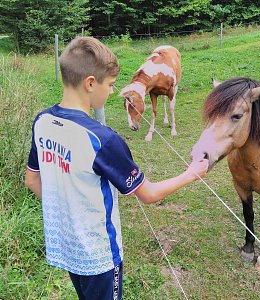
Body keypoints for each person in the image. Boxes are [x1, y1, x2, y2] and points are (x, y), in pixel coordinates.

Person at [24, 37, 208, 300]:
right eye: (109, 85)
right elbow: (149, 194)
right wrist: (191, 173)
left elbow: (32, 180)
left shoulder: (43, 121)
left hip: (64, 246)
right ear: (90, 83)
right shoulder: (104, 140)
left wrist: (69, 211)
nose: (111, 92)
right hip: (99, 257)